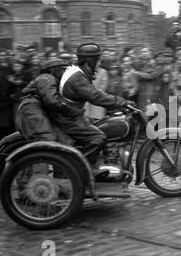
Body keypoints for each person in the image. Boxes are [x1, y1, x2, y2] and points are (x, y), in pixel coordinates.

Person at [56, 43, 134, 175]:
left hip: (72, 115)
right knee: (99, 137)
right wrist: (122, 102)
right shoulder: (78, 77)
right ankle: (83, 169)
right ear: (89, 61)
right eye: (97, 61)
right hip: (69, 119)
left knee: (102, 124)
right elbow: (95, 96)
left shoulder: (76, 71)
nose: (98, 65)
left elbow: (95, 94)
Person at [17, 59, 82, 143]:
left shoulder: (55, 81)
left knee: (66, 141)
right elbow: (53, 101)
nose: (65, 72)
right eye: (63, 69)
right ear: (55, 70)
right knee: (47, 139)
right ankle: (40, 156)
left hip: (39, 110)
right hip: (32, 110)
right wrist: (72, 110)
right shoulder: (47, 78)